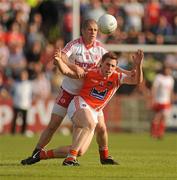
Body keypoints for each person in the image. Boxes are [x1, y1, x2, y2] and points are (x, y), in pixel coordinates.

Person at [21, 19, 132, 165]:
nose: (93, 33)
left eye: (95, 30)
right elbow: (63, 57)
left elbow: (113, 65)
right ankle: (36, 153)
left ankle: (103, 156)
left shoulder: (100, 49)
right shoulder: (75, 45)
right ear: (83, 31)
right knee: (53, 125)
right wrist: (74, 66)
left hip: (89, 95)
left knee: (101, 128)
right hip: (69, 91)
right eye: (90, 30)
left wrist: (129, 72)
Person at [150, 64, 174, 139]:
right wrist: (152, 98)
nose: (168, 71)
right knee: (157, 117)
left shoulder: (171, 79)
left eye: (169, 69)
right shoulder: (159, 77)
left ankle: (160, 133)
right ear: (163, 69)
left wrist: (171, 100)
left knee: (164, 117)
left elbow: (170, 91)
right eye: (166, 69)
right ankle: (154, 133)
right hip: (159, 100)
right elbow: (154, 88)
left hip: (166, 101)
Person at [11, 69, 32, 135]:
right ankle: (13, 132)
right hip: (17, 103)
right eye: (22, 75)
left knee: (24, 119)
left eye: (24, 75)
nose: (23, 76)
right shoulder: (16, 83)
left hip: (25, 104)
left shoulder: (29, 84)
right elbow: (12, 92)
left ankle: (23, 132)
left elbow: (31, 94)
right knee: (15, 119)